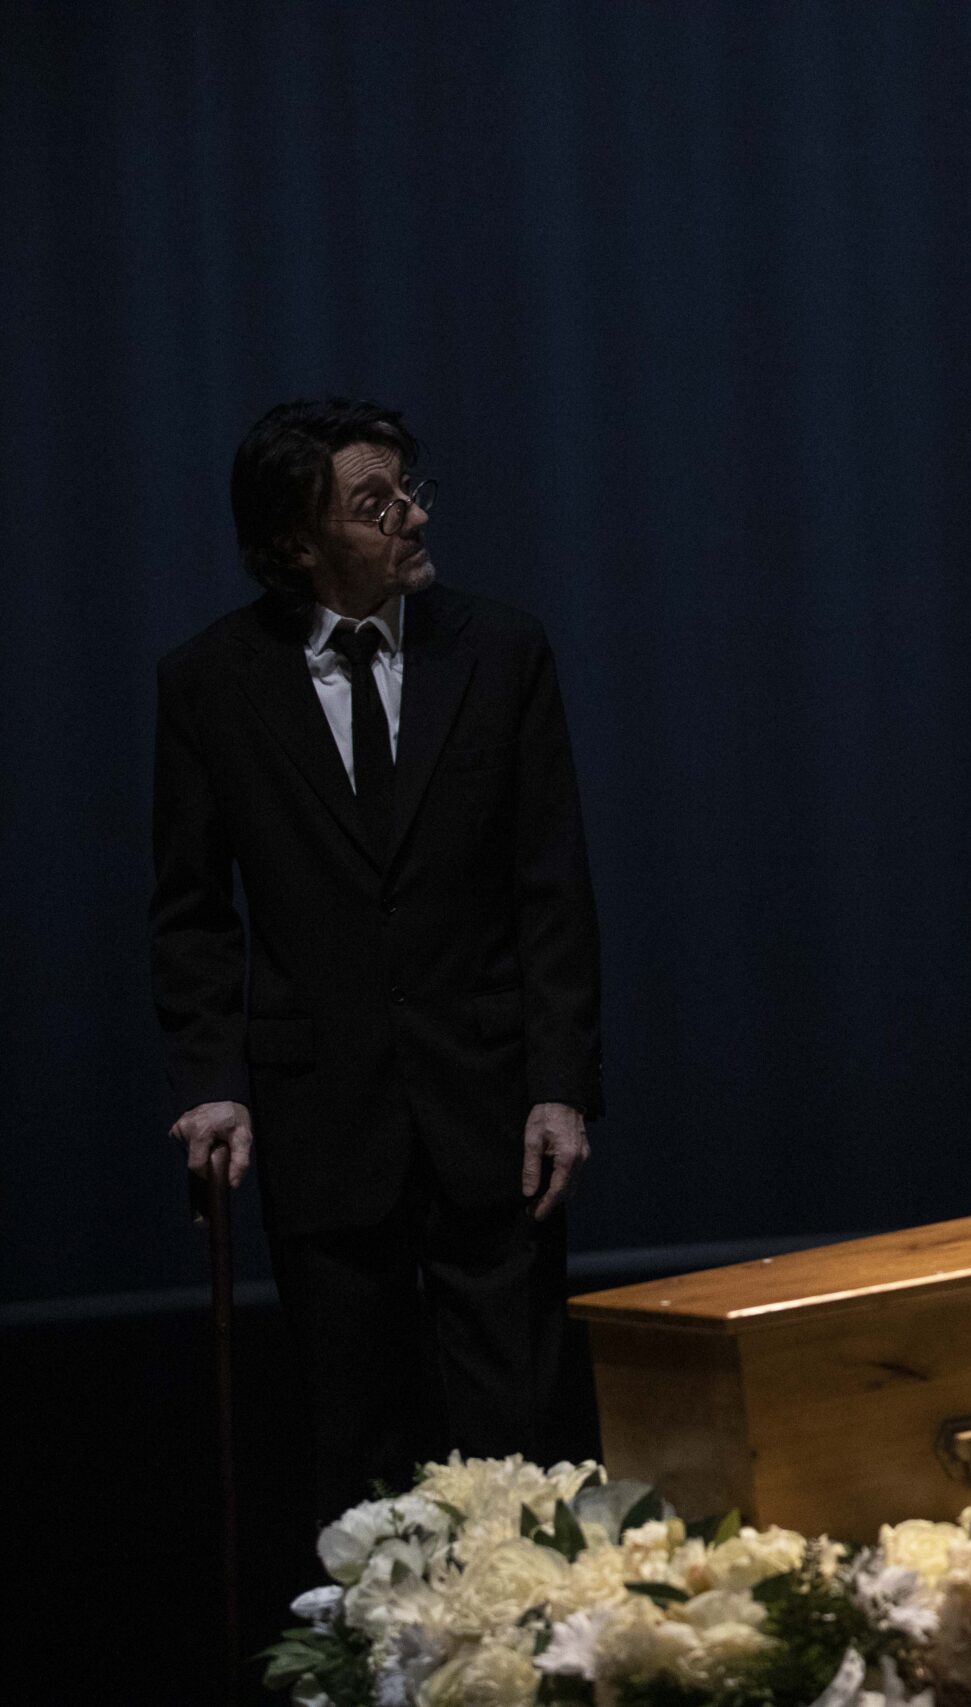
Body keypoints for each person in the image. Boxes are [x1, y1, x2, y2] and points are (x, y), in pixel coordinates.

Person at [153, 398, 605, 1519]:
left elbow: (551, 887)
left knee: (520, 1441)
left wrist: (560, 1085)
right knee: (358, 1449)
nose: (412, 516)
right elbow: (193, 909)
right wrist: (212, 1081)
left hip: (491, 1108)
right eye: (374, 503)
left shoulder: (500, 651)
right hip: (323, 1116)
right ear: (297, 541)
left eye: (410, 490)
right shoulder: (210, 681)